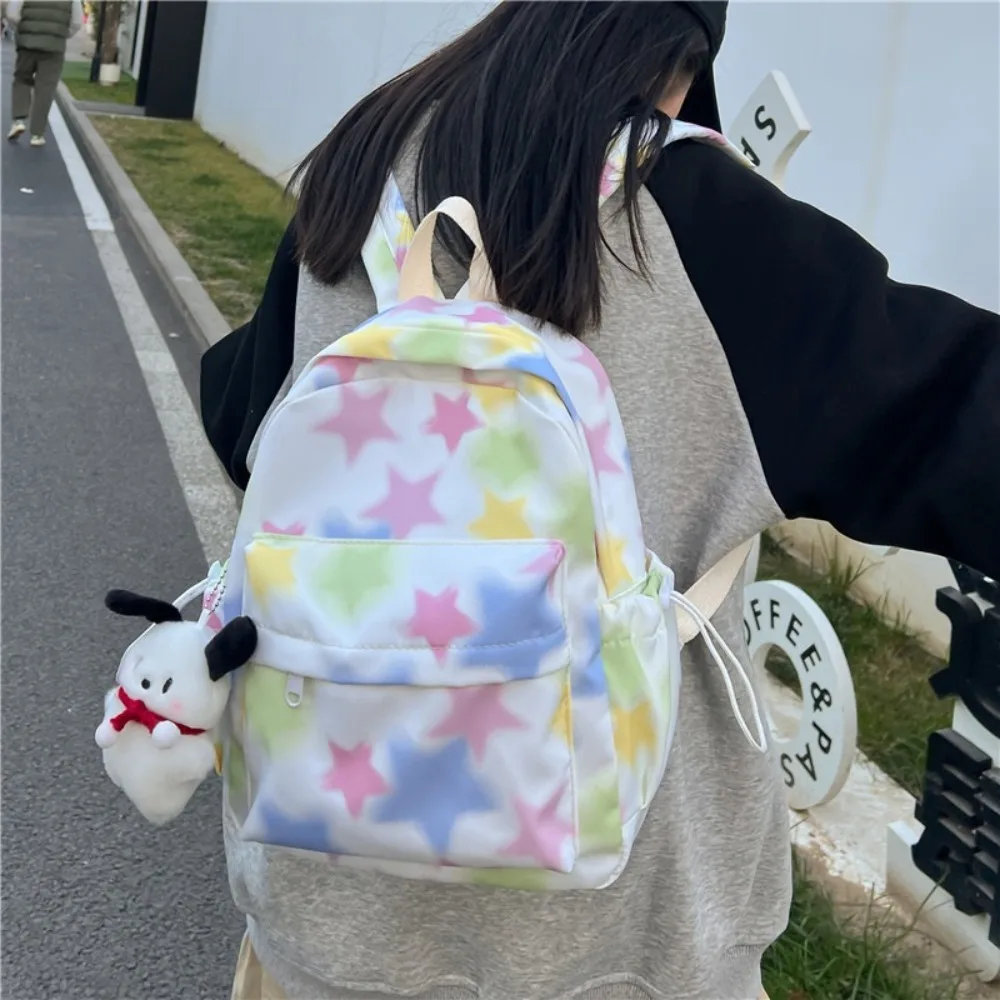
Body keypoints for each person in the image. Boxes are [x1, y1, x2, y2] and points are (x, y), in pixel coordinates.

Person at [199, 3, 1000, 998]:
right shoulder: (706, 222)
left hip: (322, 923)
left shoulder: (365, 160)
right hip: (618, 947)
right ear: (680, 66)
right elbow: (957, 418)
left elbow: (241, 422)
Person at [6, 0, 82, 147]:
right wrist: (62, 34)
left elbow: (12, 13)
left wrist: (23, 28)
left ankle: (18, 121)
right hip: (54, 47)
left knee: (22, 79)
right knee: (45, 89)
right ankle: (37, 134)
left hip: (27, 44)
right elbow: (76, 22)